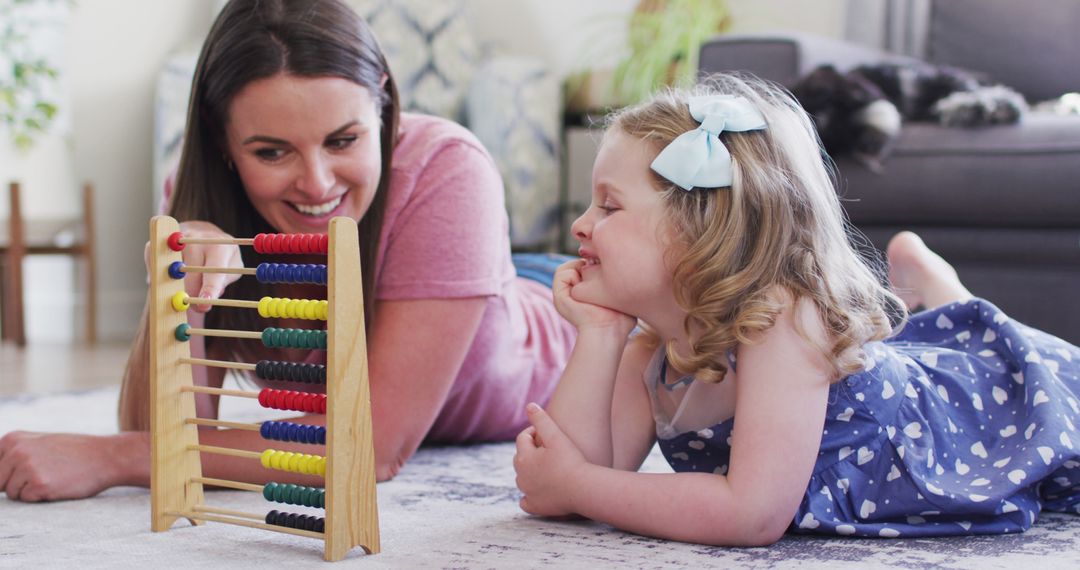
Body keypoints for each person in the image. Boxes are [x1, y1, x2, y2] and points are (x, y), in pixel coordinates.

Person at [0, 0, 574, 502]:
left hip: (563, 314)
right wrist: (179, 287)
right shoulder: (199, 197)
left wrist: (114, 460)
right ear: (222, 140)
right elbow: (160, 428)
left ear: (381, 101)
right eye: (272, 153)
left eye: (343, 140)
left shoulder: (448, 170)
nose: (318, 184)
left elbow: (371, 448)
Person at [512, 73, 1080, 545]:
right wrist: (600, 334)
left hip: (974, 412)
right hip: (901, 380)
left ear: (698, 233)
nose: (580, 225)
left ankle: (942, 289)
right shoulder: (651, 351)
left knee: (1000, 362)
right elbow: (563, 478)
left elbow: (750, 514)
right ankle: (932, 290)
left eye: (609, 206)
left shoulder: (780, 318)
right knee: (939, 344)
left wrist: (579, 485)